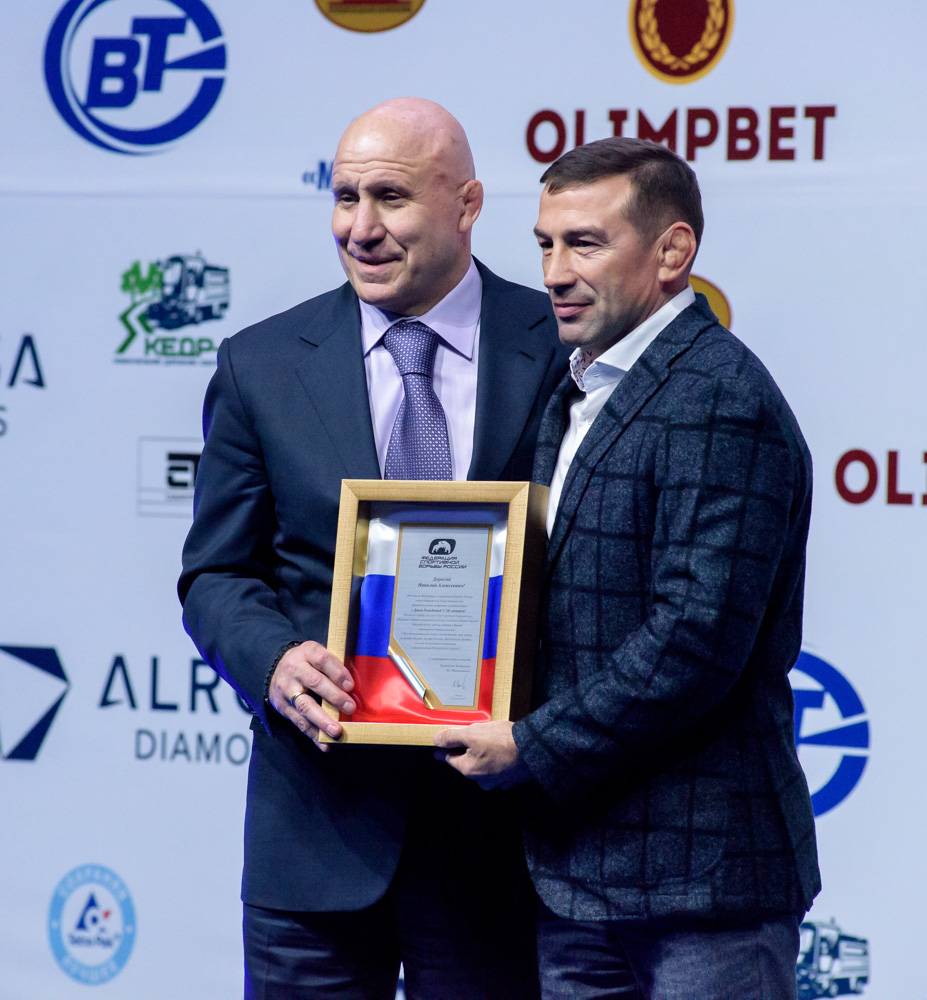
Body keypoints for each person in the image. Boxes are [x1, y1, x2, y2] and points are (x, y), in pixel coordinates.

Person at [178, 98, 567, 1000]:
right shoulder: (260, 364)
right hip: (314, 832)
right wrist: (275, 660)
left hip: (497, 837)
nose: (359, 227)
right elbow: (216, 574)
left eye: (390, 197)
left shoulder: (558, 347)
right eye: (344, 196)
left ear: (467, 205)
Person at [435, 137, 821, 1000]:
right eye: (544, 244)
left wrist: (529, 745)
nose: (554, 273)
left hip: (700, 883)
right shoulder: (577, 388)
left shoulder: (718, 396)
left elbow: (694, 639)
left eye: (584, 243)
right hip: (574, 872)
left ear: (672, 252)